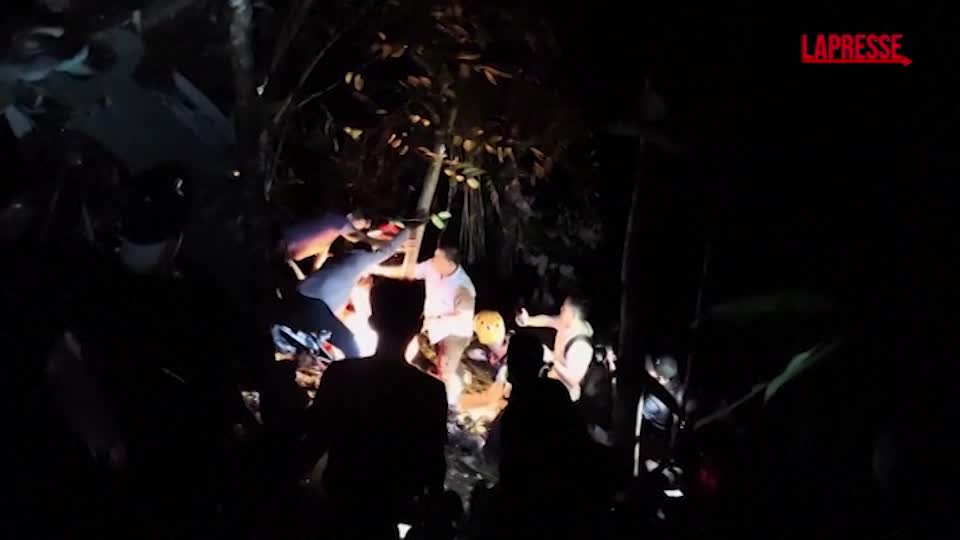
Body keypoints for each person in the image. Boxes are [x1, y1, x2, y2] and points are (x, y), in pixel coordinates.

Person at [296, 278, 448, 539]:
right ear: (419, 325)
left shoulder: (341, 374)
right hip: (385, 516)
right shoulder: (430, 391)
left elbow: (314, 441)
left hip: (337, 510)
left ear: (372, 322)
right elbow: (434, 465)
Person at [378, 244, 476, 411]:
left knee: (444, 372)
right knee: (415, 352)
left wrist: (437, 321)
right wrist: (377, 269)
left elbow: (463, 317)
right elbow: (409, 272)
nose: (433, 260)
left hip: (454, 333)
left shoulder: (464, 287)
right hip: (431, 323)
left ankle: (445, 407)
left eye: (438, 258)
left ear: (449, 263)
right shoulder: (432, 266)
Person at [292, 229, 410, 359]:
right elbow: (387, 250)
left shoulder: (339, 259)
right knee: (348, 341)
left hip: (301, 293)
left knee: (318, 332)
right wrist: (408, 231)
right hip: (317, 304)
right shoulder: (361, 258)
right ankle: (356, 367)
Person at [515, 295, 596, 401]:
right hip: (552, 379)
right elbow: (548, 320)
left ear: (573, 315)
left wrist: (552, 359)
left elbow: (573, 380)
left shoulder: (581, 346)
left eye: (564, 308)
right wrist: (528, 321)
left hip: (564, 395)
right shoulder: (567, 323)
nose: (561, 308)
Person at [281, 210, 377, 276]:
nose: (362, 227)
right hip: (280, 244)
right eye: (364, 221)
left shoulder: (329, 240)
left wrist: (312, 276)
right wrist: (382, 245)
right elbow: (356, 236)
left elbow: (317, 265)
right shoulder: (337, 220)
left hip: (285, 258)